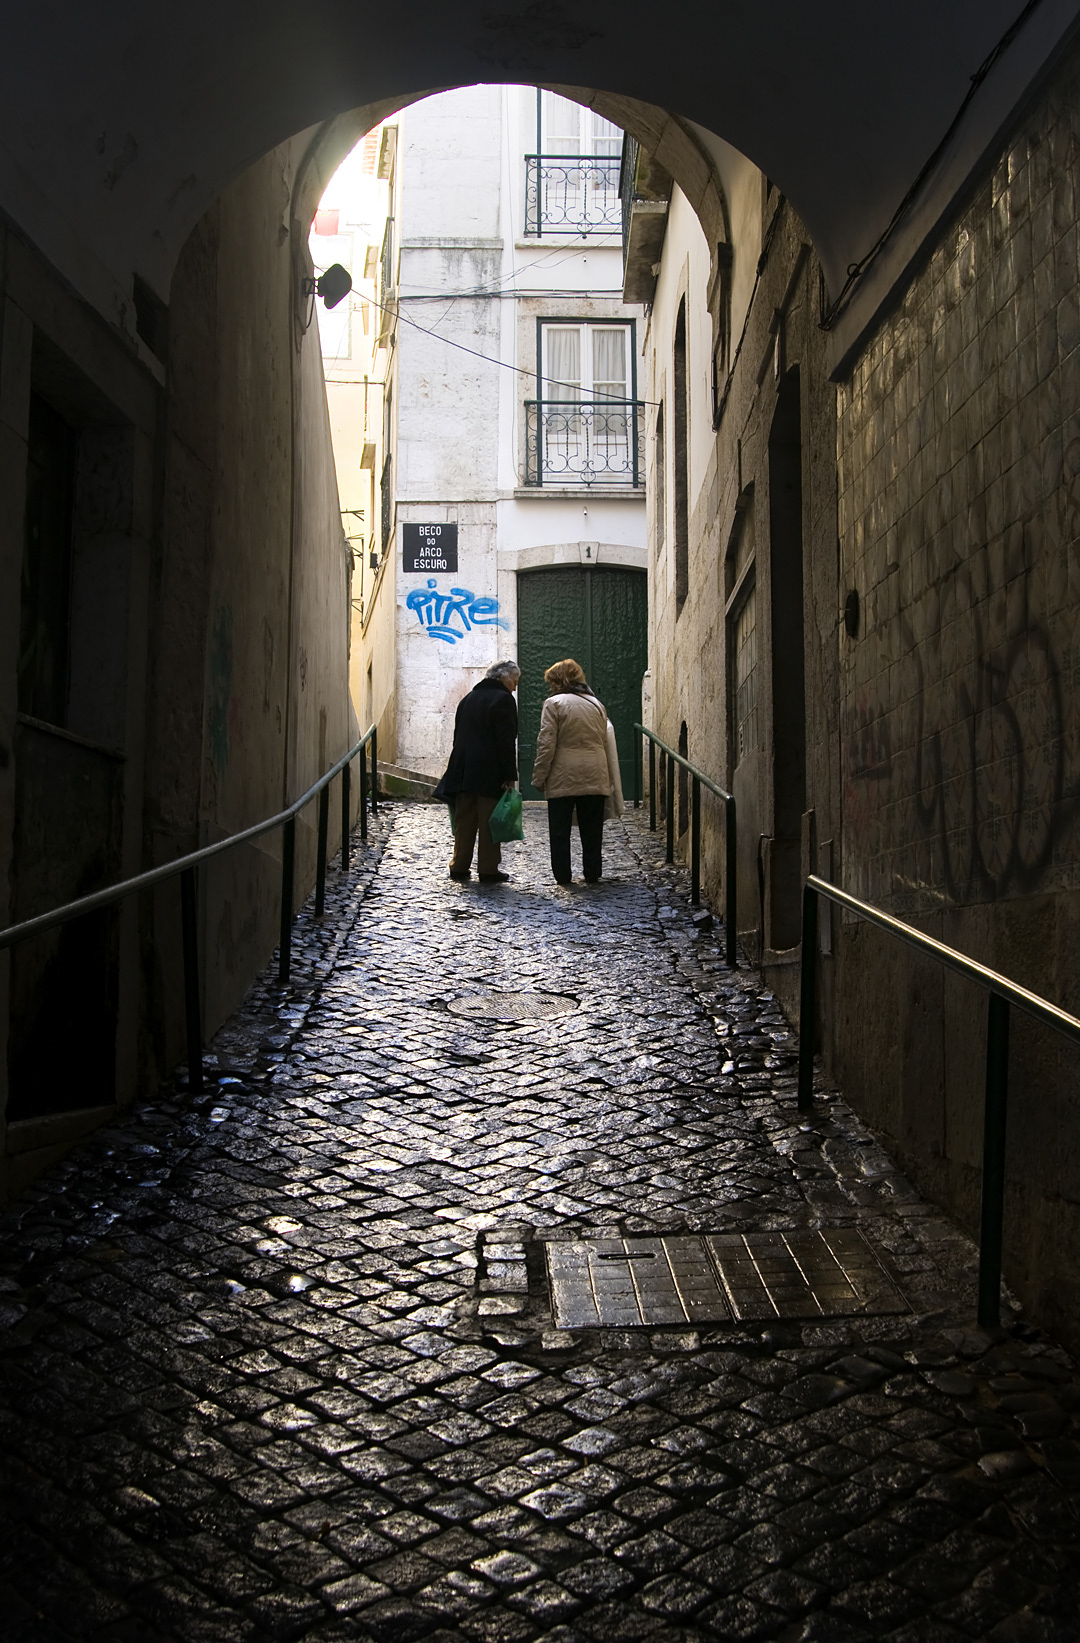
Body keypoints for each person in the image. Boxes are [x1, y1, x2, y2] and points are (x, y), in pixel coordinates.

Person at [531, 658, 622, 885]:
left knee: (559, 831)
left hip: (562, 775)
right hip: (595, 771)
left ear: (557, 682)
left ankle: (563, 875)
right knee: (592, 829)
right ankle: (592, 872)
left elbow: (546, 743)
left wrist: (539, 776)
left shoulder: (553, 704)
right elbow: (604, 740)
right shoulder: (596, 704)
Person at [434, 659, 520, 883]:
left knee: (464, 820)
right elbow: (506, 740)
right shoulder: (503, 699)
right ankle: (488, 869)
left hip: (462, 769)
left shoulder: (468, 698)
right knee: (489, 821)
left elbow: (457, 736)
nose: (515, 687)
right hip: (489, 770)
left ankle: (459, 865)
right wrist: (510, 775)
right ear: (503, 678)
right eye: (514, 681)